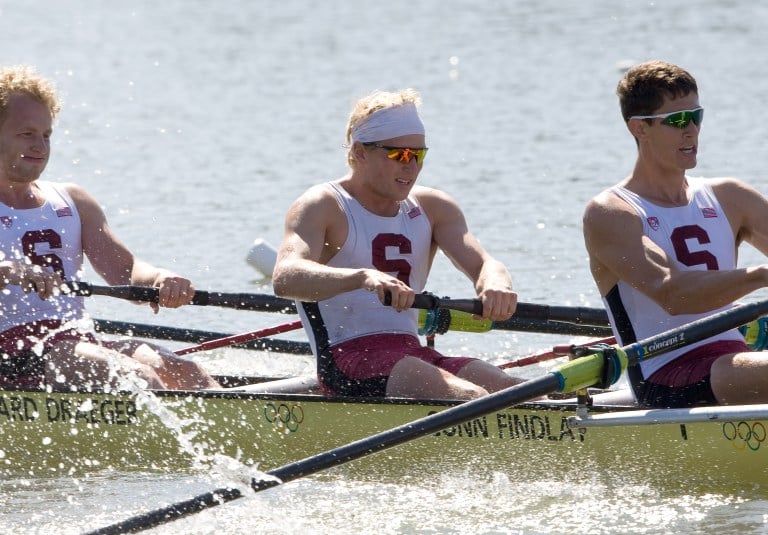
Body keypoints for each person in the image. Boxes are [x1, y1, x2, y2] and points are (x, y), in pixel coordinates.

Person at [272, 88, 523, 400]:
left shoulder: (434, 206)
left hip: (412, 356)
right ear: (361, 152)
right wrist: (362, 276)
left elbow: (485, 263)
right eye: (400, 155)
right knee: (473, 397)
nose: (412, 166)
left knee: (514, 391)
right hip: (349, 363)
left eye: (419, 154)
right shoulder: (324, 205)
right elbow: (285, 277)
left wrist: (495, 284)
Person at [0, 65, 219, 392]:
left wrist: (160, 279)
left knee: (184, 370)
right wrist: (7, 270)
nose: (40, 146)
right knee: (137, 379)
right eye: (27, 134)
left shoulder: (72, 200)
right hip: (12, 351)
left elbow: (126, 273)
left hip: (71, 341)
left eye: (46, 135)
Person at [582, 59, 768, 408]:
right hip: (666, 377)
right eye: (678, 121)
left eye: (696, 116)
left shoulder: (731, 197)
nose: (691, 131)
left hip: (734, 362)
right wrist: (760, 276)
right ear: (640, 128)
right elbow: (673, 294)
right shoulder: (612, 213)